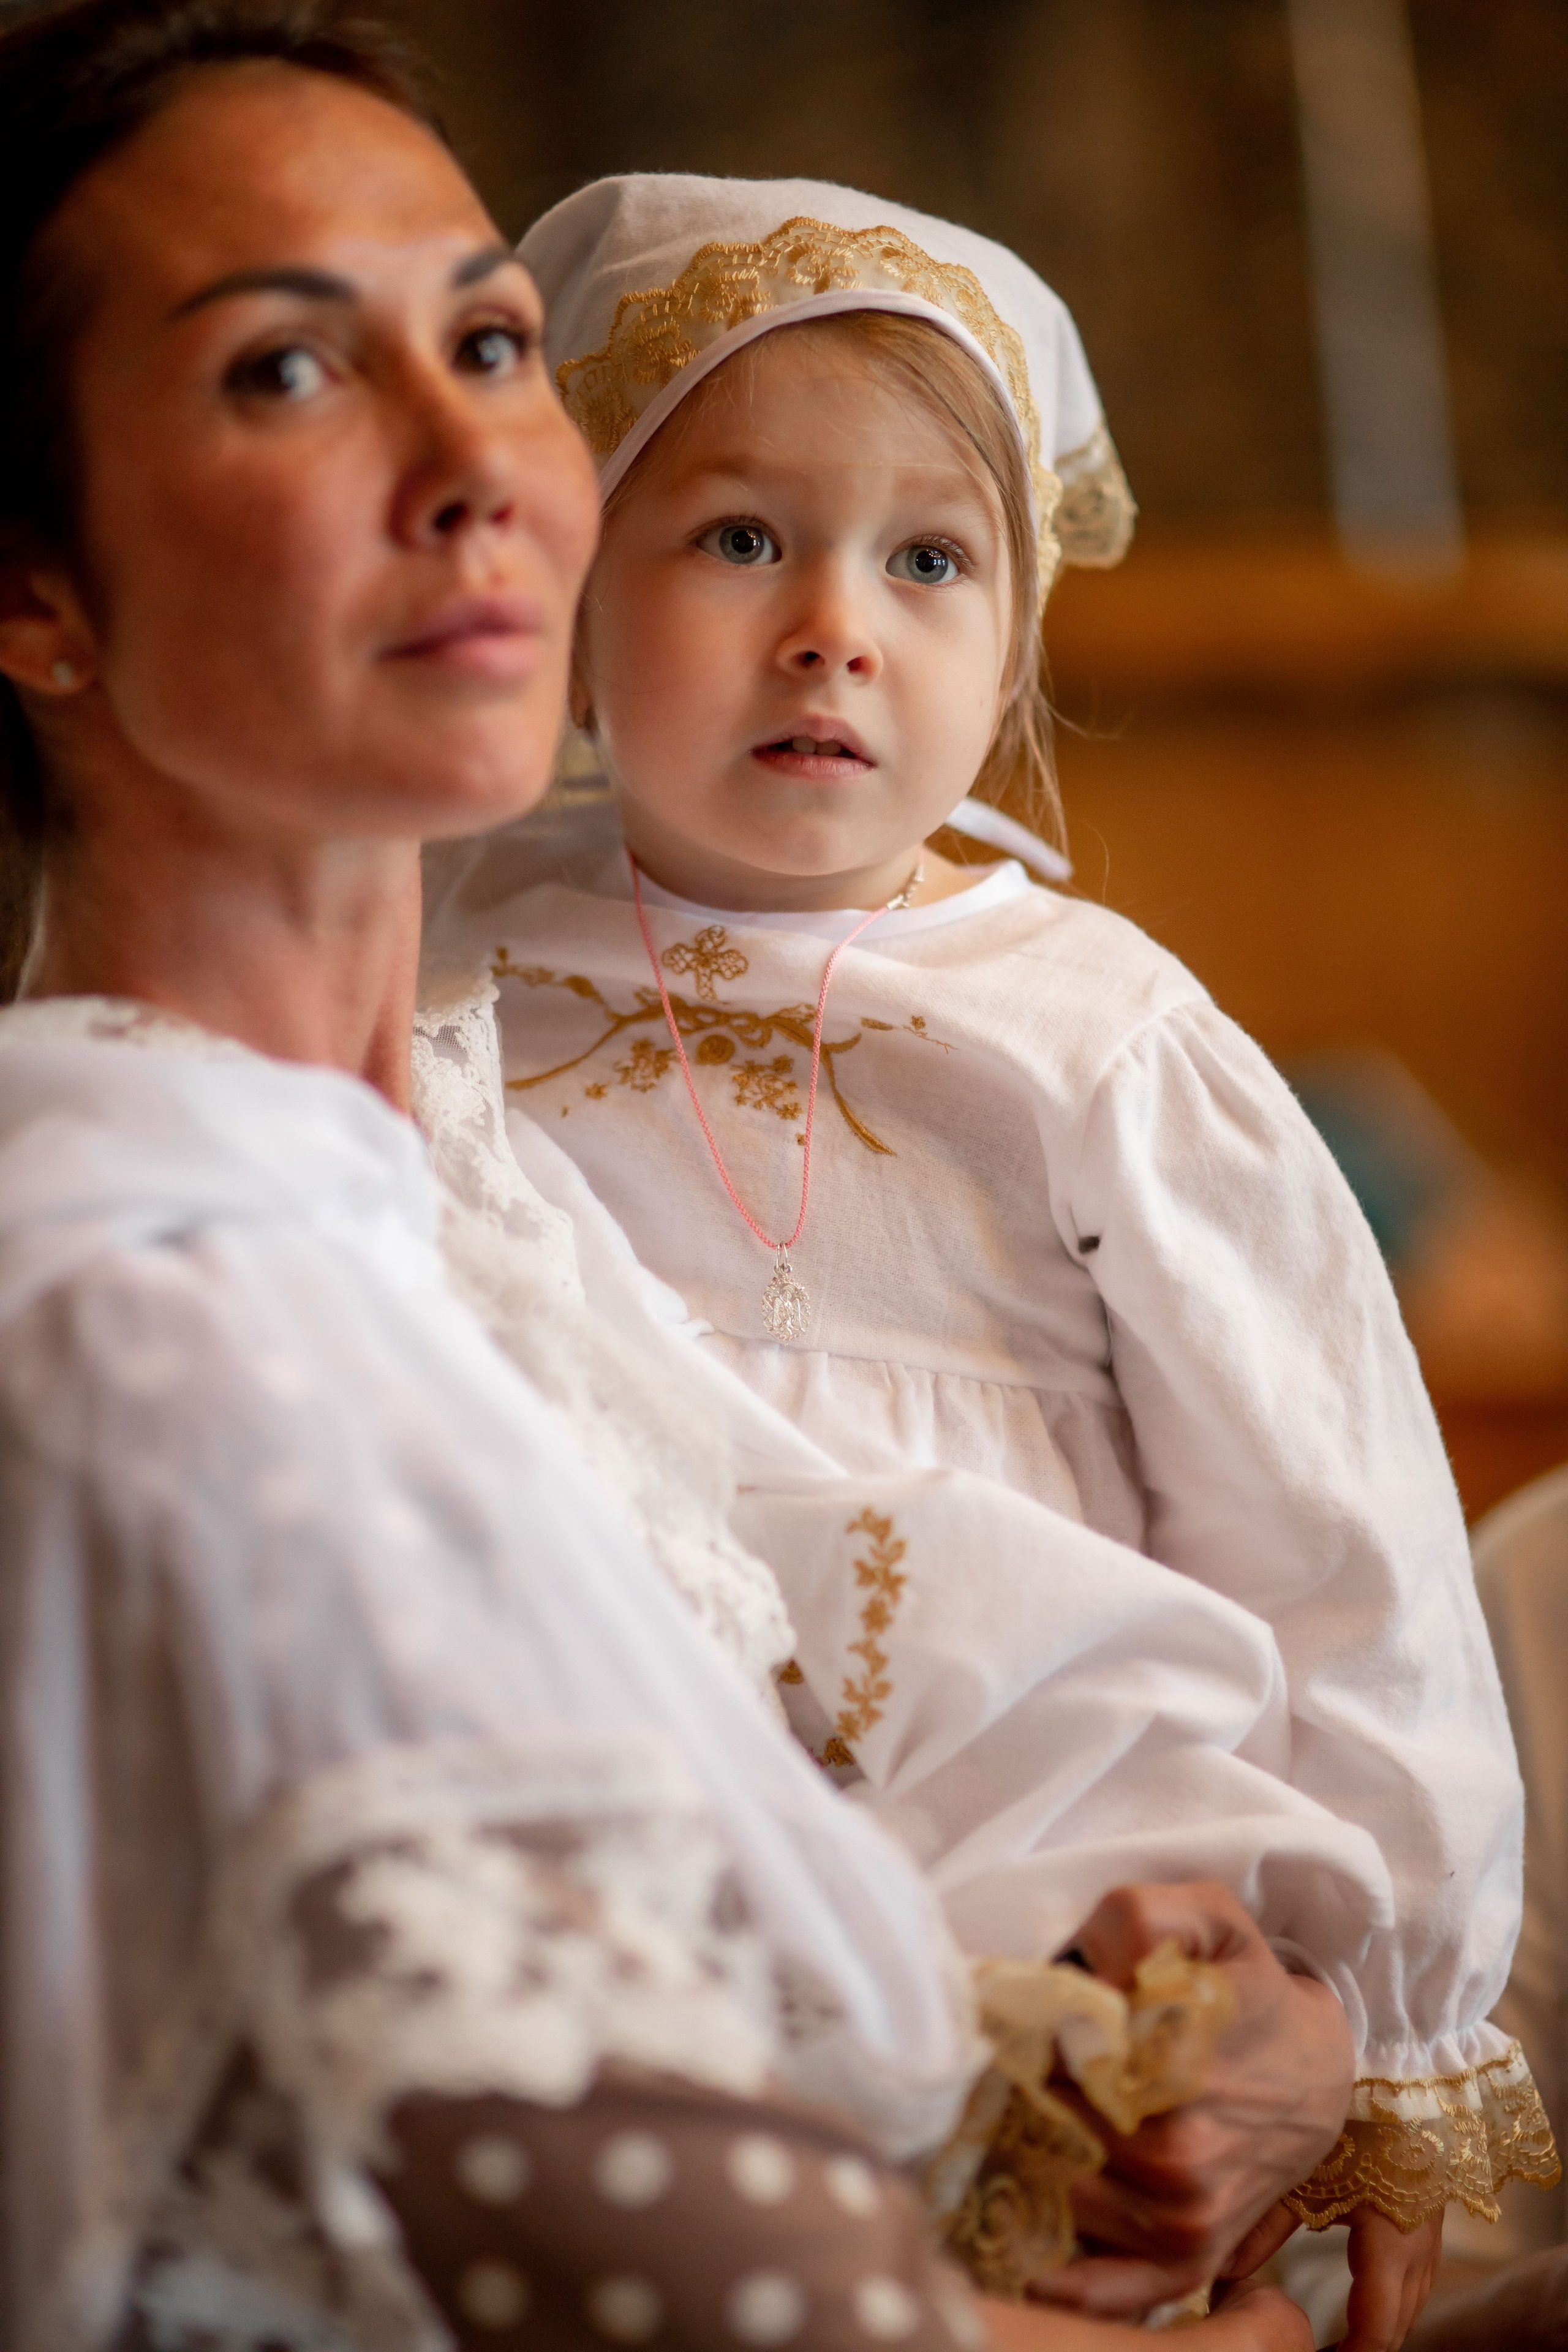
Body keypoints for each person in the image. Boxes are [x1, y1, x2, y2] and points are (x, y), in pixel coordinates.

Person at [0, 7, 1343, 2351]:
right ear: (33, 591)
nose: (477, 462)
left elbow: (850, 1606)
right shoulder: (152, 1337)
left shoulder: (462, 1187)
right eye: (287, 376)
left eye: (491, 341)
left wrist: (1239, 1978)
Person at [423, 170, 1556, 2346]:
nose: (835, 623)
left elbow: (1340, 1535)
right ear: (574, 574)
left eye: (928, 559)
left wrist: (1399, 2023)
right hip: (616, 1858)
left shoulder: (1095, 1032)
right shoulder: (444, 937)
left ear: (1017, 635)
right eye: (742, 534)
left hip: (1050, 1868)